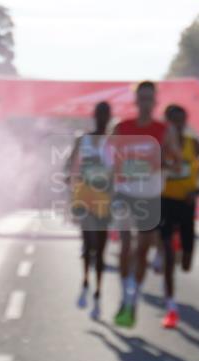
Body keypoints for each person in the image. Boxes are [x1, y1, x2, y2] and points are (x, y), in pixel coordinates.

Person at [110, 80, 182, 328]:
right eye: (142, 97)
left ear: (155, 101)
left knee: (143, 249)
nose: (145, 102)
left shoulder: (165, 130)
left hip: (150, 196)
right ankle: (124, 295)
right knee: (126, 245)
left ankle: (132, 298)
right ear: (136, 100)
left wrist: (163, 162)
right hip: (125, 192)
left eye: (150, 98)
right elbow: (110, 161)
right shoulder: (122, 127)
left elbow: (177, 163)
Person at [65, 101, 113, 319]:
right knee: (87, 245)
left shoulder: (114, 142)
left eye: (106, 114)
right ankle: (85, 281)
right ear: (94, 116)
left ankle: (98, 294)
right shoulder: (82, 140)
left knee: (101, 250)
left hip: (104, 198)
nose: (103, 118)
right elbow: (69, 166)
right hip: (84, 196)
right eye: (99, 113)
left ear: (110, 117)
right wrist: (71, 180)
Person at [159, 104, 199, 329]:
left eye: (181, 120)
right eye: (173, 120)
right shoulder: (161, 146)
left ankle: (178, 253)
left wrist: (197, 191)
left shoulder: (193, 144)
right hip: (165, 201)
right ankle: (170, 303)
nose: (177, 125)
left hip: (186, 203)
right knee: (167, 253)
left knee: (186, 263)